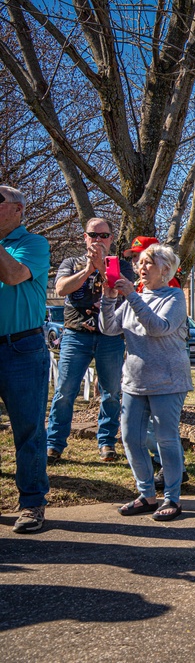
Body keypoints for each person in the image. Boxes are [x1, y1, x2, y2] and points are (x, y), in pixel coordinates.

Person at [100, 244, 191, 522]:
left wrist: (130, 295)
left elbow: (157, 327)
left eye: (148, 262)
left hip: (168, 381)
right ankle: (146, 495)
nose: (141, 267)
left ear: (166, 270)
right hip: (134, 382)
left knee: (166, 440)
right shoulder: (132, 298)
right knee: (130, 438)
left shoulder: (174, 297)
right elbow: (108, 328)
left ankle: (172, 498)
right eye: (140, 262)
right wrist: (108, 297)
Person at [45, 218, 126, 463]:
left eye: (104, 235)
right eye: (94, 234)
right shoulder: (71, 263)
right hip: (75, 335)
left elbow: (122, 289)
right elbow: (61, 289)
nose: (98, 239)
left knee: (111, 392)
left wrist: (102, 265)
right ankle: (54, 443)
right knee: (65, 391)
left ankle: (106, 443)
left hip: (110, 336)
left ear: (111, 238)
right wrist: (88, 269)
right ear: (85, 237)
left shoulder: (121, 265)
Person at [0, 185, 51, 533]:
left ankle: (32, 503)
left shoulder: (34, 244)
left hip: (22, 349)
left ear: (18, 209)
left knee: (28, 430)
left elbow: (13, 275)